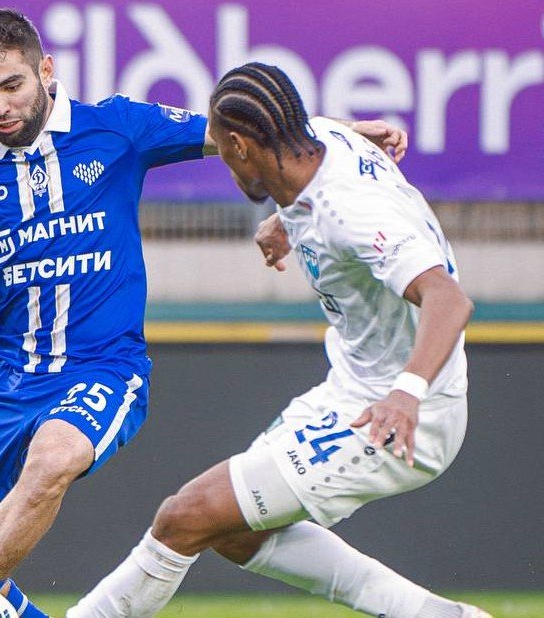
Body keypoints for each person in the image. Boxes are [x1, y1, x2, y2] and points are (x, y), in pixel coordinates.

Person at [0, 10, 406, 617]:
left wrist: (343, 133)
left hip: (103, 369)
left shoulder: (118, 128)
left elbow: (242, 129)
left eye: (12, 86)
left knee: (52, 458)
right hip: (9, 382)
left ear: (46, 70)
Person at [66, 62, 491, 618]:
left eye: (222, 150)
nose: (223, 161)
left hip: (405, 410)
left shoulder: (349, 212)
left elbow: (449, 299)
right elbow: (325, 157)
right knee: (232, 530)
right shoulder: (320, 144)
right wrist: (289, 221)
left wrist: (406, 394)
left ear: (241, 146)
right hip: (351, 390)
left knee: (185, 517)